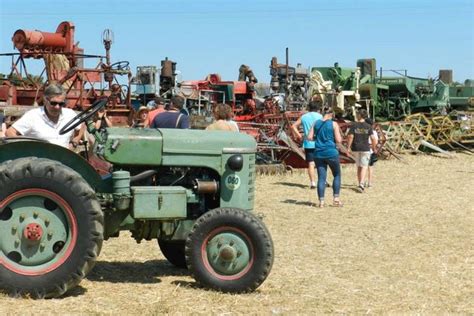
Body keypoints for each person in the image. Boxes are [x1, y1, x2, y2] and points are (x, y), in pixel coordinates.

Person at [5, 83, 84, 149]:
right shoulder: (33, 116)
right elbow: (10, 132)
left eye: (61, 104)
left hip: (63, 161)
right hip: (38, 162)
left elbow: (81, 126)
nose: (57, 107)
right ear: (45, 100)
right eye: (53, 103)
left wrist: (75, 141)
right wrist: (26, 150)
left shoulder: (70, 114)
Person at [308, 106, 344, 208]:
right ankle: (336, 199)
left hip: (318, 153)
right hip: (331, 152)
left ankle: (321, 202)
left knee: (321, 178)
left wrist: (318, 140)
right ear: (332, 114)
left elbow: (309, 137)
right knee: (337, 174)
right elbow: (338, 140)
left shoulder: (316, 123)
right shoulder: (333, 124)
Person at [291, 100, 323, 188]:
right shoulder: (320, 116)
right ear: (318, 108)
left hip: (308, 143)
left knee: (311, 163)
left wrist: (299, 136)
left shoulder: (304, 117)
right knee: (321, 163)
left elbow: (293, 126)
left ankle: (313, 183)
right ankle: (322, 181)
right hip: (319, 142)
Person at [346, 109, 377, 193]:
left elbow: (350, 137)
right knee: (364, 166)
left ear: (359, 115)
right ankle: (361, 184)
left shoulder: (354, 125)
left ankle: (360, 183)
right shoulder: (368, 126)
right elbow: (373, 138)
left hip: (356, 148)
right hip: (365, 148)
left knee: (359, 166)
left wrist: (348, 147)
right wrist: (374, 147)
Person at [365, 118, 378, 188]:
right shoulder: (374, 132)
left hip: (364, 149)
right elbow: (375, 142)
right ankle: (369, 183)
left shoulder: (363, 131)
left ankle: (362, 181)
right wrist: (374, 148)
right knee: (370, 167)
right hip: (371, 150)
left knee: (363, 167)